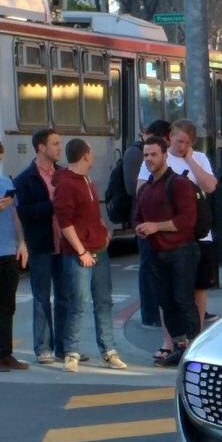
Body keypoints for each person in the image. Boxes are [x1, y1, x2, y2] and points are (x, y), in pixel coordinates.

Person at [140, 119, 218, 361]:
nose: (181, 146)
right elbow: (142, 192)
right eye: (178, 140)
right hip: (165, 240)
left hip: (198, 235)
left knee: (196, 290)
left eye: (187, 142)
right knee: (168, 294)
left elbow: (210, 186)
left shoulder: (198, 159)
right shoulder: (156, 159)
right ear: (170, 137)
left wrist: (191, 160)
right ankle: (171, 341)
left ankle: (196, 341)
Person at [52, 139, 125, 372]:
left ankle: (109, 351)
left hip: (99, 249)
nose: (93, 156)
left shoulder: (87, 180)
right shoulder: (66, 184)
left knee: (104, 301)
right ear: (85, 156)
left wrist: (103, 231)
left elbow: (92, 213)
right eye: (91, 152)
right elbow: (65, 223)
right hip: (79, 254)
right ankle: (71, 352)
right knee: (79, 303)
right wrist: (81, 251)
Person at [134, 137, 198, 368]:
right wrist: (140, 227)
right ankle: (180, 347)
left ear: (164, 156)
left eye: (153, 154)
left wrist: (156, 226)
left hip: (181, 252)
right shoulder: (146, 188)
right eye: (146, 155)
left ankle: (194, 349)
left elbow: (187, 220)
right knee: (166, 302)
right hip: (156, 253)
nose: (149, 159)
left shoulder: (178, 183)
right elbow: (138, 217)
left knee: (184, 300)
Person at [14, 128, 70, 364]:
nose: (59, 148)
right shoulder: (25, 179)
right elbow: (23, 213)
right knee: (41, 298)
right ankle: (43, 347)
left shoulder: (64, 174)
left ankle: (65, 347)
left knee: (65, 297)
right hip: (41, 246)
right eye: (55, 144)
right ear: (41, 147)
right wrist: (52, 205)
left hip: (64, 245)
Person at [135, 120, 172, 329]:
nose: (149, 157)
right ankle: (150, 314)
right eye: (146, 155)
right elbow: (139, 191)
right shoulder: (147, 165)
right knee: (149, 268)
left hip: (165, 228)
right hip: (150, 226)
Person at [0, 140, 30, 372]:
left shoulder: (6, 182)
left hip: (8, 250)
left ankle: (5, 354)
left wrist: (21, 242)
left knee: (7, 305)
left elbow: (15, 216)